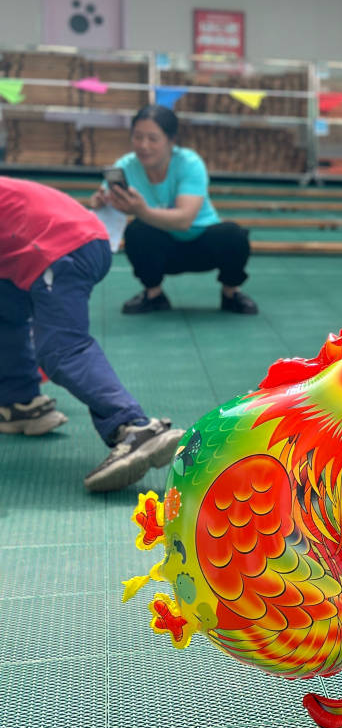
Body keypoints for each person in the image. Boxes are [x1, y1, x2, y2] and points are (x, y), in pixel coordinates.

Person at [0, 177, 184, 490]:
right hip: (73, 238)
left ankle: (136, 428)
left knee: (61, 348)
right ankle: (20, 401)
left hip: (58, 247)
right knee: (6, 310)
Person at [89, 105, 258, 314]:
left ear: (171, 141)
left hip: (203, 243)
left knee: (234, 236)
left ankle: (231, 293)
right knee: (137, 232)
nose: (143, 145)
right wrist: (100, 202)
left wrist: (141, 210)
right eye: (138, 137)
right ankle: (154, 294)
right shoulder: (126, 165)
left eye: (153, 138)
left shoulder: (190, 163)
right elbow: (104, 197)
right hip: (163, 247)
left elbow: (184, 219)